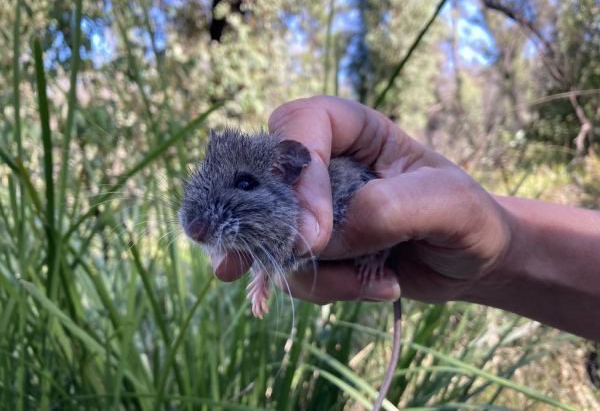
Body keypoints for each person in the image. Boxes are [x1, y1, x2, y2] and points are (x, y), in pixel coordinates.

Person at [211, 96, 600, 342]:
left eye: (243, 184)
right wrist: (263, 272)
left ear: (285, 169)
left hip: (371, 222)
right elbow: (279, 249)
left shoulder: (291, 193)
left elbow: (290, 245)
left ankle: (380, 254)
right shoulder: (266, 215)